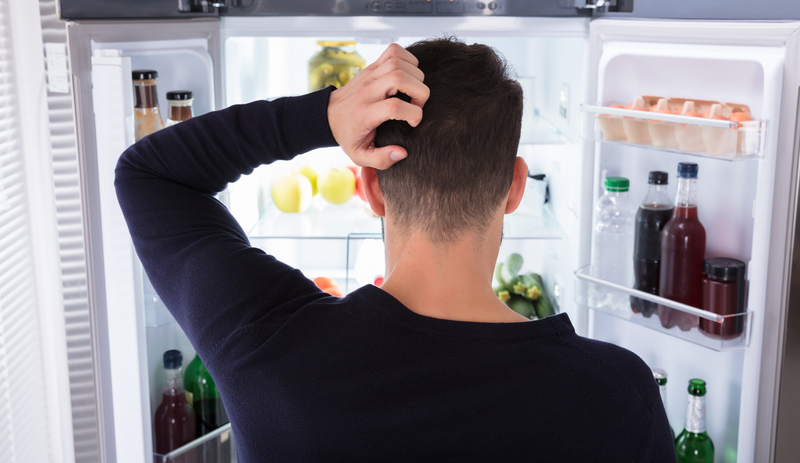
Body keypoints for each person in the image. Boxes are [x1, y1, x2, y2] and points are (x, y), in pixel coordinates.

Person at [116, 40, 676, 462]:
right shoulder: (617, 394)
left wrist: (326, 115)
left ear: (370, 187)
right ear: (515, 188)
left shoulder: (271, 350)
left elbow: (149, 175)